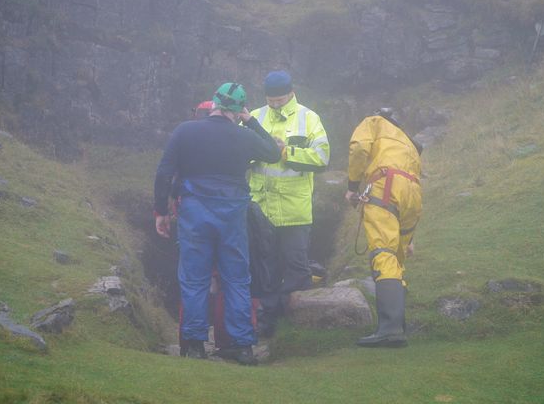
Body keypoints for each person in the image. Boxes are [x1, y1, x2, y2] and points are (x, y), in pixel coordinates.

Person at [154, 83, 281, 364]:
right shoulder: (244, 135)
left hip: (194, 212)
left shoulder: (186, 131)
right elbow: (273, 152)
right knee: (236, 278)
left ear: (213, 103)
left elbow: (164, 172)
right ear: (239, 110)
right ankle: (243, 346)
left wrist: (160, 211)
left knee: (194, 278)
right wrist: (251, 120)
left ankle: (195, 345)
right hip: (232, 215)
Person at [249, 70, 330, 337]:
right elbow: (238, 149)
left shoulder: (309, 118)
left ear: (292, 93)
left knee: (297, 267)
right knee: (265, 269)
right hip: (262, 210)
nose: (274, 104)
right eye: (271, 100)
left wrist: (285, 151)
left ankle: (298, 323)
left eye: (279, 100)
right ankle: (267, 324)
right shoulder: (255, 118)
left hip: (295, 211)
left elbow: (321, 158)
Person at [344, 108, 422, 347]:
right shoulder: (406, 140)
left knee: (383, 253)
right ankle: (399, 324)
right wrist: (409, 240)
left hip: (385, 185)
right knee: (397, 256)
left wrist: (352, 185)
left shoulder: (373, 122)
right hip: (413, 192)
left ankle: (389, 329)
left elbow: (358, 148)